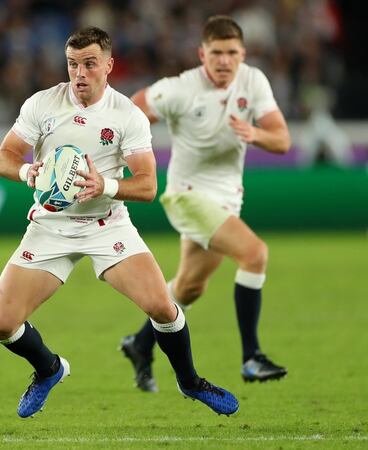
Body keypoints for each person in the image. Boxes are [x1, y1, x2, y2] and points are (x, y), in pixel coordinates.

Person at [0, 26, 238, 419]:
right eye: (72, 64)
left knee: (162, 307)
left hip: (107, 224)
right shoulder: (42, 104)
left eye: (89, 64)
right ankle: (49, 369)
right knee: (1, 325)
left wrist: (104, 185)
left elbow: (148, 185)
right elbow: (4, 157)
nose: (80, 73)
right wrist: (26, 172)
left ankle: (190, 381)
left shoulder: (127, 115)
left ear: (108, 65)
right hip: (51, 225)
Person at [122, 15, 290, 393]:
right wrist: (129, 151)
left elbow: (281, 140)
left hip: (226, 199)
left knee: (189, 287)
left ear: (243, 54)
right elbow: (133, 110)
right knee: (254, 254)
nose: (224, 61)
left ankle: (140, 343)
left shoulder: (253, 81)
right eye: (216, 53)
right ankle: (252, 357)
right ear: (202, 54)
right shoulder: (181, 88)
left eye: (231, 53)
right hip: (187, 195)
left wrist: (254, 133)